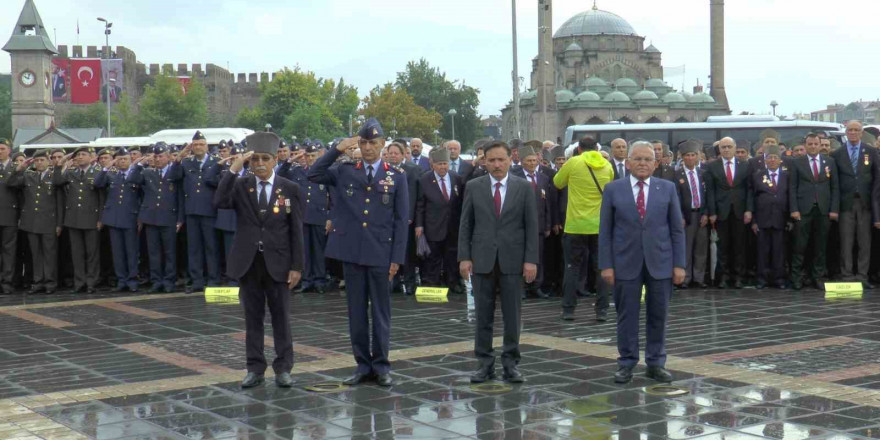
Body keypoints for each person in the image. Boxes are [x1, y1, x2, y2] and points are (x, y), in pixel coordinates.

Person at [307, 118, 408, 387]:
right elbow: (313, 173)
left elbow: (400, 220)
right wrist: (337, 149)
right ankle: (363, 365)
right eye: (363, 143)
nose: (368, 148)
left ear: (383, 144)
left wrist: (397, 257)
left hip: (381, 253)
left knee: (381, 312)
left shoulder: (396, 176)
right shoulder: (345, 171)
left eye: (373, 143)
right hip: (351, 251)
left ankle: (382, 366)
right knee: (356, 312)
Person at [214, 131, 304, 389]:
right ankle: (255, 368)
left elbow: (297, 229)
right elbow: (219, 201)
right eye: (255, 160)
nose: (260, 164)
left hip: (279, 262)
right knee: (252, 318)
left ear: (275, 160)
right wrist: (234, 168)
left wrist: (297, 266)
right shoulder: (242, 185)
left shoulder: (290, 188)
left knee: (281, 318)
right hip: (249, 261)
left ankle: (284, 368)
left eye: (265, 158)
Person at [599, 141, 685, 384]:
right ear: (627, 163)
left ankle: (656, 363)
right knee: (627, 315)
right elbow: (605, 230)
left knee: (658, 314)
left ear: (656, 163)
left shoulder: (666, 188)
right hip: (625, 262)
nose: (642, 163)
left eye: (648, 159)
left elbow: (676, 230)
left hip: (661, 262)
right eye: (637, 159)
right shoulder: (613, 189)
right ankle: (626, 362)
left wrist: (679, 264)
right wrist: (606, 264)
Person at [459, 141, 538, 384]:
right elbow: (465, 224)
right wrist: (464, 257)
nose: (496, 165)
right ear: (484, 161)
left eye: (501, 160)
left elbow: (531, 227)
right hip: (482, 260)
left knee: (512, 316)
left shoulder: (523, 188)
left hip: (513, 261)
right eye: (491, 160)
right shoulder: (474, 186)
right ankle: (484, 364)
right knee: (483, 316)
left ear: (510, 160)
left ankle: (511, 363)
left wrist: (531, 260)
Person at [555, 136, 612, 320]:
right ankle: (602, 310)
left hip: (575, 225)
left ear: (579, 149)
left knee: (572, 267)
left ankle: (568, 309)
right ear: (596, 148)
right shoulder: (607, 165)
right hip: (599, 226)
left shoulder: (573, 162)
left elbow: (557, 182)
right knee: (601, 268)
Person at [128, 143, 183, 293]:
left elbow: (180, 197)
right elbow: (131, 179)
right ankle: (156, 281)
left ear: (167, 157)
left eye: (161, 156)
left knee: (169, 253)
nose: (158, 159)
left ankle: (169, 281)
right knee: (154, 253)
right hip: (151, 218)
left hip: (168, 217)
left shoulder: (174, 172)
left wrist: (180, 218)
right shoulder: (147, 172)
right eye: (156, 156)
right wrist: (140, 164)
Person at [171, 131, 220, 293]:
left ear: (207, 146)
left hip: (209, 210)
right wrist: (178, 158)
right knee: (194, 248)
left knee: (211, 247)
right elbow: (174, 176)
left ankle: (213, 279)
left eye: (201, 144)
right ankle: (197, 280)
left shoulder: (216, 162)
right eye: (195, 144)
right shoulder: (186, 163)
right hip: (191, 211)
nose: (198, 147)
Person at [789, 133, 839, 290]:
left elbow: (835, 187)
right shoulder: (797, 162)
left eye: (815, 144)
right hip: (803, 210)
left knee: (820, 246)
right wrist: (794, 209)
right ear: (805, 145)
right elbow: (792, 188)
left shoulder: (829, 161)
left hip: (823, 210)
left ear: (820, 145)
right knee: (800, 245)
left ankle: (818, 276)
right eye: (809, 144)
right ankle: (796, 277)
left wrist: (834, 209)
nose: (812, 146)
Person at [8, 150, 62, 294]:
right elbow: (11, 183)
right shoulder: (28, 176)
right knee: (36, 254)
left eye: (42, 160)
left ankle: (50, 283)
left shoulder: (53, 176)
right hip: (31, 222)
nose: (39, 163)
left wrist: (59, 223)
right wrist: (18, 169)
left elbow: (59, 201)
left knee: (49, 254)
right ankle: (38, 282)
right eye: (37, 160)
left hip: (49, 221)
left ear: (48, 161)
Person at [415, 147, 465, 294]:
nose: (443, 167)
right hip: (432, 225)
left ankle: (453, 282)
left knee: (452, 256)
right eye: (440, 164)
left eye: (445, 163)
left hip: (452, 226)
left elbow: (459, 201)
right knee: (433, 257)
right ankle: (432, 282)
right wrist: (419, 225)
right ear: (433, 165)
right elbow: (420, 205)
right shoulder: (424, 179)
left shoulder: (456, 178)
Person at [833, 121, 875, 288]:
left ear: (861, 132)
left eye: (856, 130)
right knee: (846, 241)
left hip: (865, 203)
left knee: (864, 242)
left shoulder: (870, 151)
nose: (853, 133)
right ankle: (847, 275)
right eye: (850, 130)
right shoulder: (837, 153)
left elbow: (875, 178)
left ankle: (862, 275)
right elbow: (835, 183)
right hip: (845, 204)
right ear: (845, 132)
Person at [55, 146, 102, 294]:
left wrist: (100, 218)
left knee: (92, 253)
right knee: (77, 253)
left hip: (91, 218)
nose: (80, 157)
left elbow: (102, 198)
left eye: (83, 154)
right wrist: (60, 165)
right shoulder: (71, 173)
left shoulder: (97, 173)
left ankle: (91, 282)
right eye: (78, 155)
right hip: (74, 219)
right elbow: (57, 181)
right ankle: (79, 282)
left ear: (90, 157)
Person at [94, 148, 141, 293]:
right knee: (118, 252)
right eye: (120, 159)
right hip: (114, 218)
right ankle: (121, 280)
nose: (122, 162)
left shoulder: (136, 174)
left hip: (130, 217)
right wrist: (106, 167)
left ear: (130, 160)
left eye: (125, 159)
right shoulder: (111, 175)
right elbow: (97, 183)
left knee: (131, 251)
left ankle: (132, 280)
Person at [706, 137, 750, 288]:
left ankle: (738, 277)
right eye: (723, 147)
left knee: (739, 246)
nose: (726, 149)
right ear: (719, 149)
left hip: (740, 211)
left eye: (729, 147)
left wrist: (749, 210)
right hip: (721, 211)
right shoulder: (712, 167)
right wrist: (712, 212)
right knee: (722, 246)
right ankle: (723, 277)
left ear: (735, 147)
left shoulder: (745, 165)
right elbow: (710, 192)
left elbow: (749, 189)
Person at [511, 145, 554, 299]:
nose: (532, 163)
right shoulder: (514, 176)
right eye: (528, 161)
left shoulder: (543, 178)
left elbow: (547, 203)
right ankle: (521, 287)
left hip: (540, 225)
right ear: (522, 162)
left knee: (538, 256)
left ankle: (537, 286)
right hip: (519, 225)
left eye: (534, 160)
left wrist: (548, 224)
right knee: (520, 257)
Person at [748, 144, 788, 289]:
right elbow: (751, 197)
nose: (772, 160)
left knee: (779, 251)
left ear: (780, 160)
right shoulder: (757, 176)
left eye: (775, 157)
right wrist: (753, 220)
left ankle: (778, 279)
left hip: (780, 219)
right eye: (769, 157)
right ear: (765, 160)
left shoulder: (786, 176)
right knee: (762, 251)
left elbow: (790, 196)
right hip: (762, 219)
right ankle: (762, 279)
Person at [675, 140, 709, 289]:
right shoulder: (677, 175)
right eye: (687, 155)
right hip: (686, 217)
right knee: (686, 248)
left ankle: (699, 277)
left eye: (693, 155)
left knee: (701, 248)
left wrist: (706, 213)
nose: (690, 158)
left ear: (698, 156)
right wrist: (680, 216)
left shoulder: (703, 174)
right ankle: (685, 278)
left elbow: (708, 196)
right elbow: (675, 197)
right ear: (683, 157)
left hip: (701, 215)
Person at [0, 139, 19, 294]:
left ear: (9, 150)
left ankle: (7, 282)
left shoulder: (16, 168)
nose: (0, 151)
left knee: (9, 251)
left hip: (10, 216)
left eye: (2, 148)